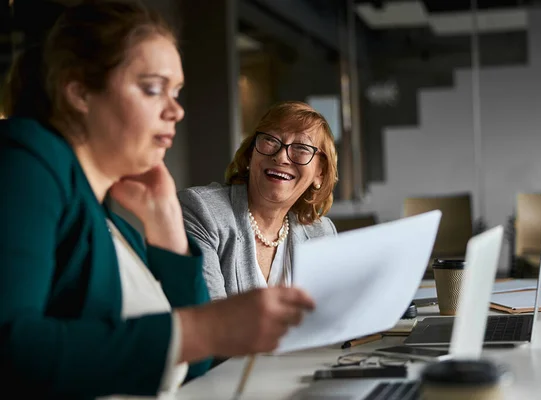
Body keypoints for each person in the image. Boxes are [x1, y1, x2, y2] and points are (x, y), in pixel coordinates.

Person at [0, 2, 314, 399]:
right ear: (79, 90)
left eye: (177, 92)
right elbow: (11, 349)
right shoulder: (26, 160)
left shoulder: (104, 213)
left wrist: (168, 234)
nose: (176, 111)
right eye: (152, 89)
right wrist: (206, 328)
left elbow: (194, 362)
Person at [178, 101, 339, 300]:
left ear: (320, 172)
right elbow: (211, 318)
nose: (281, 157)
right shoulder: (202, 210)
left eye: (301, 148)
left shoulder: (321, 233)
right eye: (271, 140)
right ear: (251, 152)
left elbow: (330, 318)